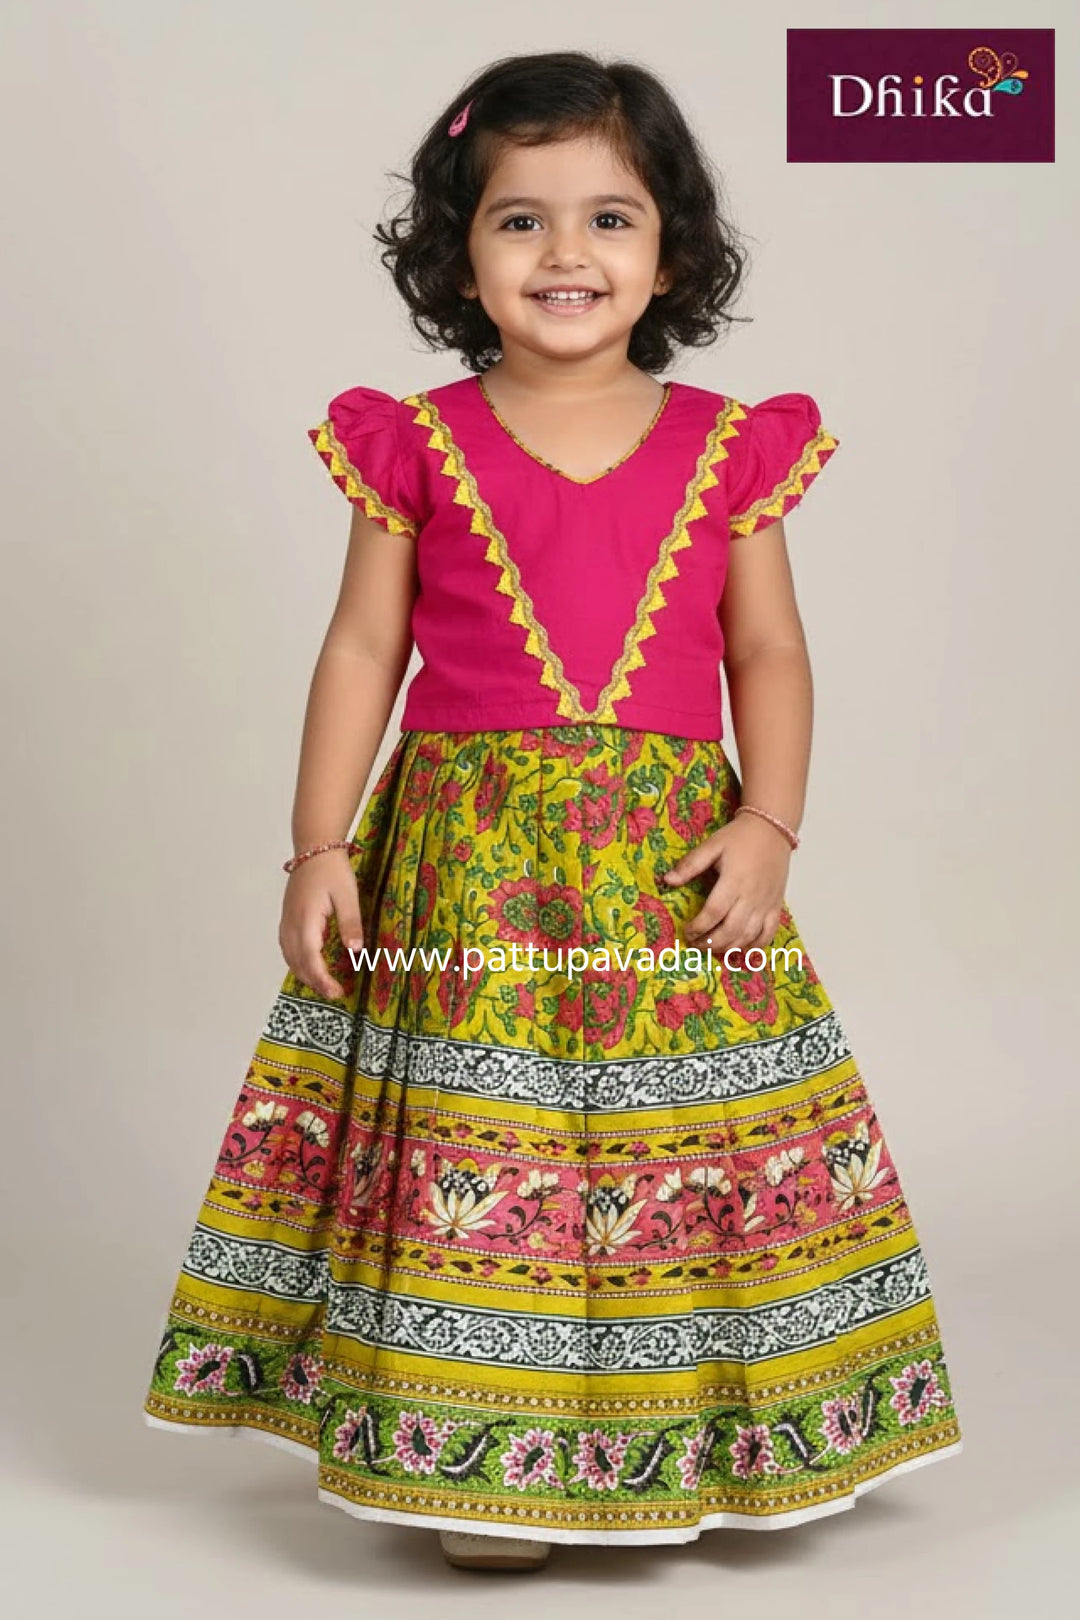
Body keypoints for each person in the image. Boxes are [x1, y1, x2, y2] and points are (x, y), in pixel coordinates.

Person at [142, 50, 962, 1573]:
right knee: (487, 1136)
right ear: (460, 248)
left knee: (672, 1146)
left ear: (672, 252)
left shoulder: (731, 448)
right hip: (468, 870)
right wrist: (320, 845)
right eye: (520, 221)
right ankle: (484, 1455)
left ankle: (703, 1422)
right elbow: (361, 649)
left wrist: (771, 824)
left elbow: (769, 649)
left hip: (664, 862)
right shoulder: (415, 444)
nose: (568, 254)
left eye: (609, 218)